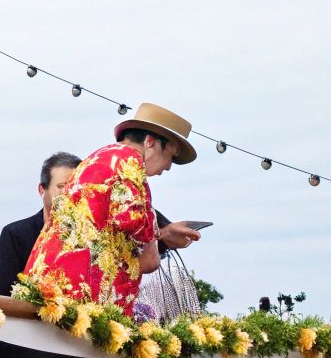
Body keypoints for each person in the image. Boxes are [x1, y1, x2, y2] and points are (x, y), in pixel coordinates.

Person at [23, 104, 202, 313]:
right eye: (170, 155)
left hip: (51, 280)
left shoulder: (99, 157)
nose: (169, 166)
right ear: (150, 142)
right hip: (80, 291)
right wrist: (161, 233)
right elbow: (131, 222)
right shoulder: (130, 159)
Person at [0, 151, 81, 295]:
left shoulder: (91, 239)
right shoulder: (15, 235)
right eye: (61, 186)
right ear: (42, 190)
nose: (69, 192)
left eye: (75, 186)